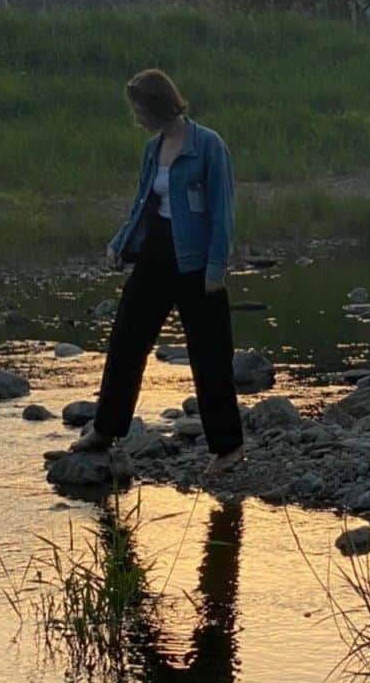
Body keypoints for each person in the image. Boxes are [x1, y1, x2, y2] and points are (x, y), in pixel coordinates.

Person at [72, 68, 245, 477]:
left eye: (139, 109)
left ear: (158, 104)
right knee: (127, 340)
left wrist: (216, 268)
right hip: (156, 253)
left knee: (210, 354)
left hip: (197, 260)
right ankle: (106, 428)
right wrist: (119, 243)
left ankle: (228, 448)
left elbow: (223, 212)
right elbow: (141, 205)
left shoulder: (208, 146)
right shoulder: (153, 148)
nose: (137, 119)